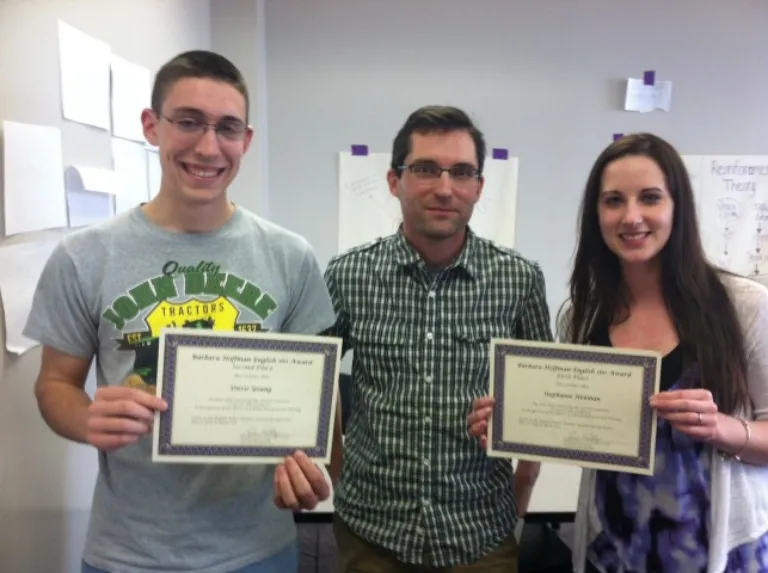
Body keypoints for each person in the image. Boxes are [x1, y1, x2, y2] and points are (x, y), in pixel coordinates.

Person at [25, 50, 337, 573]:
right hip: (127, 554)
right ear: (152, 126)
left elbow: (316, 400)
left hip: (259, 548)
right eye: (188, 122)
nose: (208, 147)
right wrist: (86, 420)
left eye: (228, 128)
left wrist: (317, 471)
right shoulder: (83, 256)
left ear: (247, 140)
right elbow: (54, 384)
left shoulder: (290, 256)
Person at [469, 133, 768, 572]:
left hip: (718, 553)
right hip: (611, 550)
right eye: (613, 201)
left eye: (650, 198)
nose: (631, 217)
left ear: (677, 207)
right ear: (596, 215)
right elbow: (581, 426)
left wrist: (723, 428)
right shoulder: (585, 315)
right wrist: (511, 422)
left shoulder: (743, 306)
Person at [323, 105, 553, 572]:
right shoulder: (347, 275)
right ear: (395, 180)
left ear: (479, 187)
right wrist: (338, 472)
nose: (445, 188)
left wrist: (523, 487)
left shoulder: (519, 280)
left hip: (480, 537)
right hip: (372, 534)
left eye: (462, 173)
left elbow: (545, 399)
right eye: (426, 169)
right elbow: (311, 381)